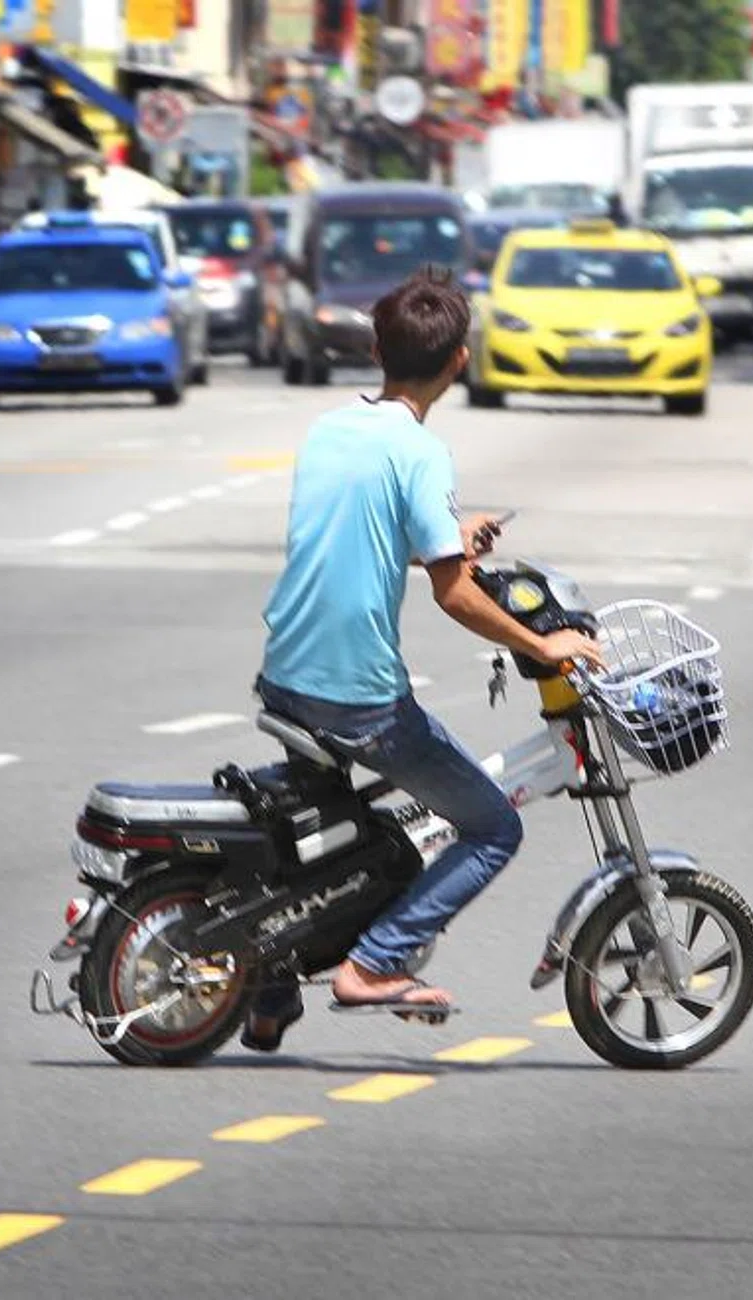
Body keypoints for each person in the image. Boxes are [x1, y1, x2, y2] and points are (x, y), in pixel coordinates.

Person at [240, 267, 604, 1052]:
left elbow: (353, 540)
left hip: (286, 671)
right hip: (355, 695)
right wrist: (545, 643)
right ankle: (372, 963)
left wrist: (446, 540)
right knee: (491, 825)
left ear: (375, 349)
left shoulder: (331, 429)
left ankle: (268, 990)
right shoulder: (423, 453)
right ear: (460, 362)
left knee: (338, 837)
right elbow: (456, 597)